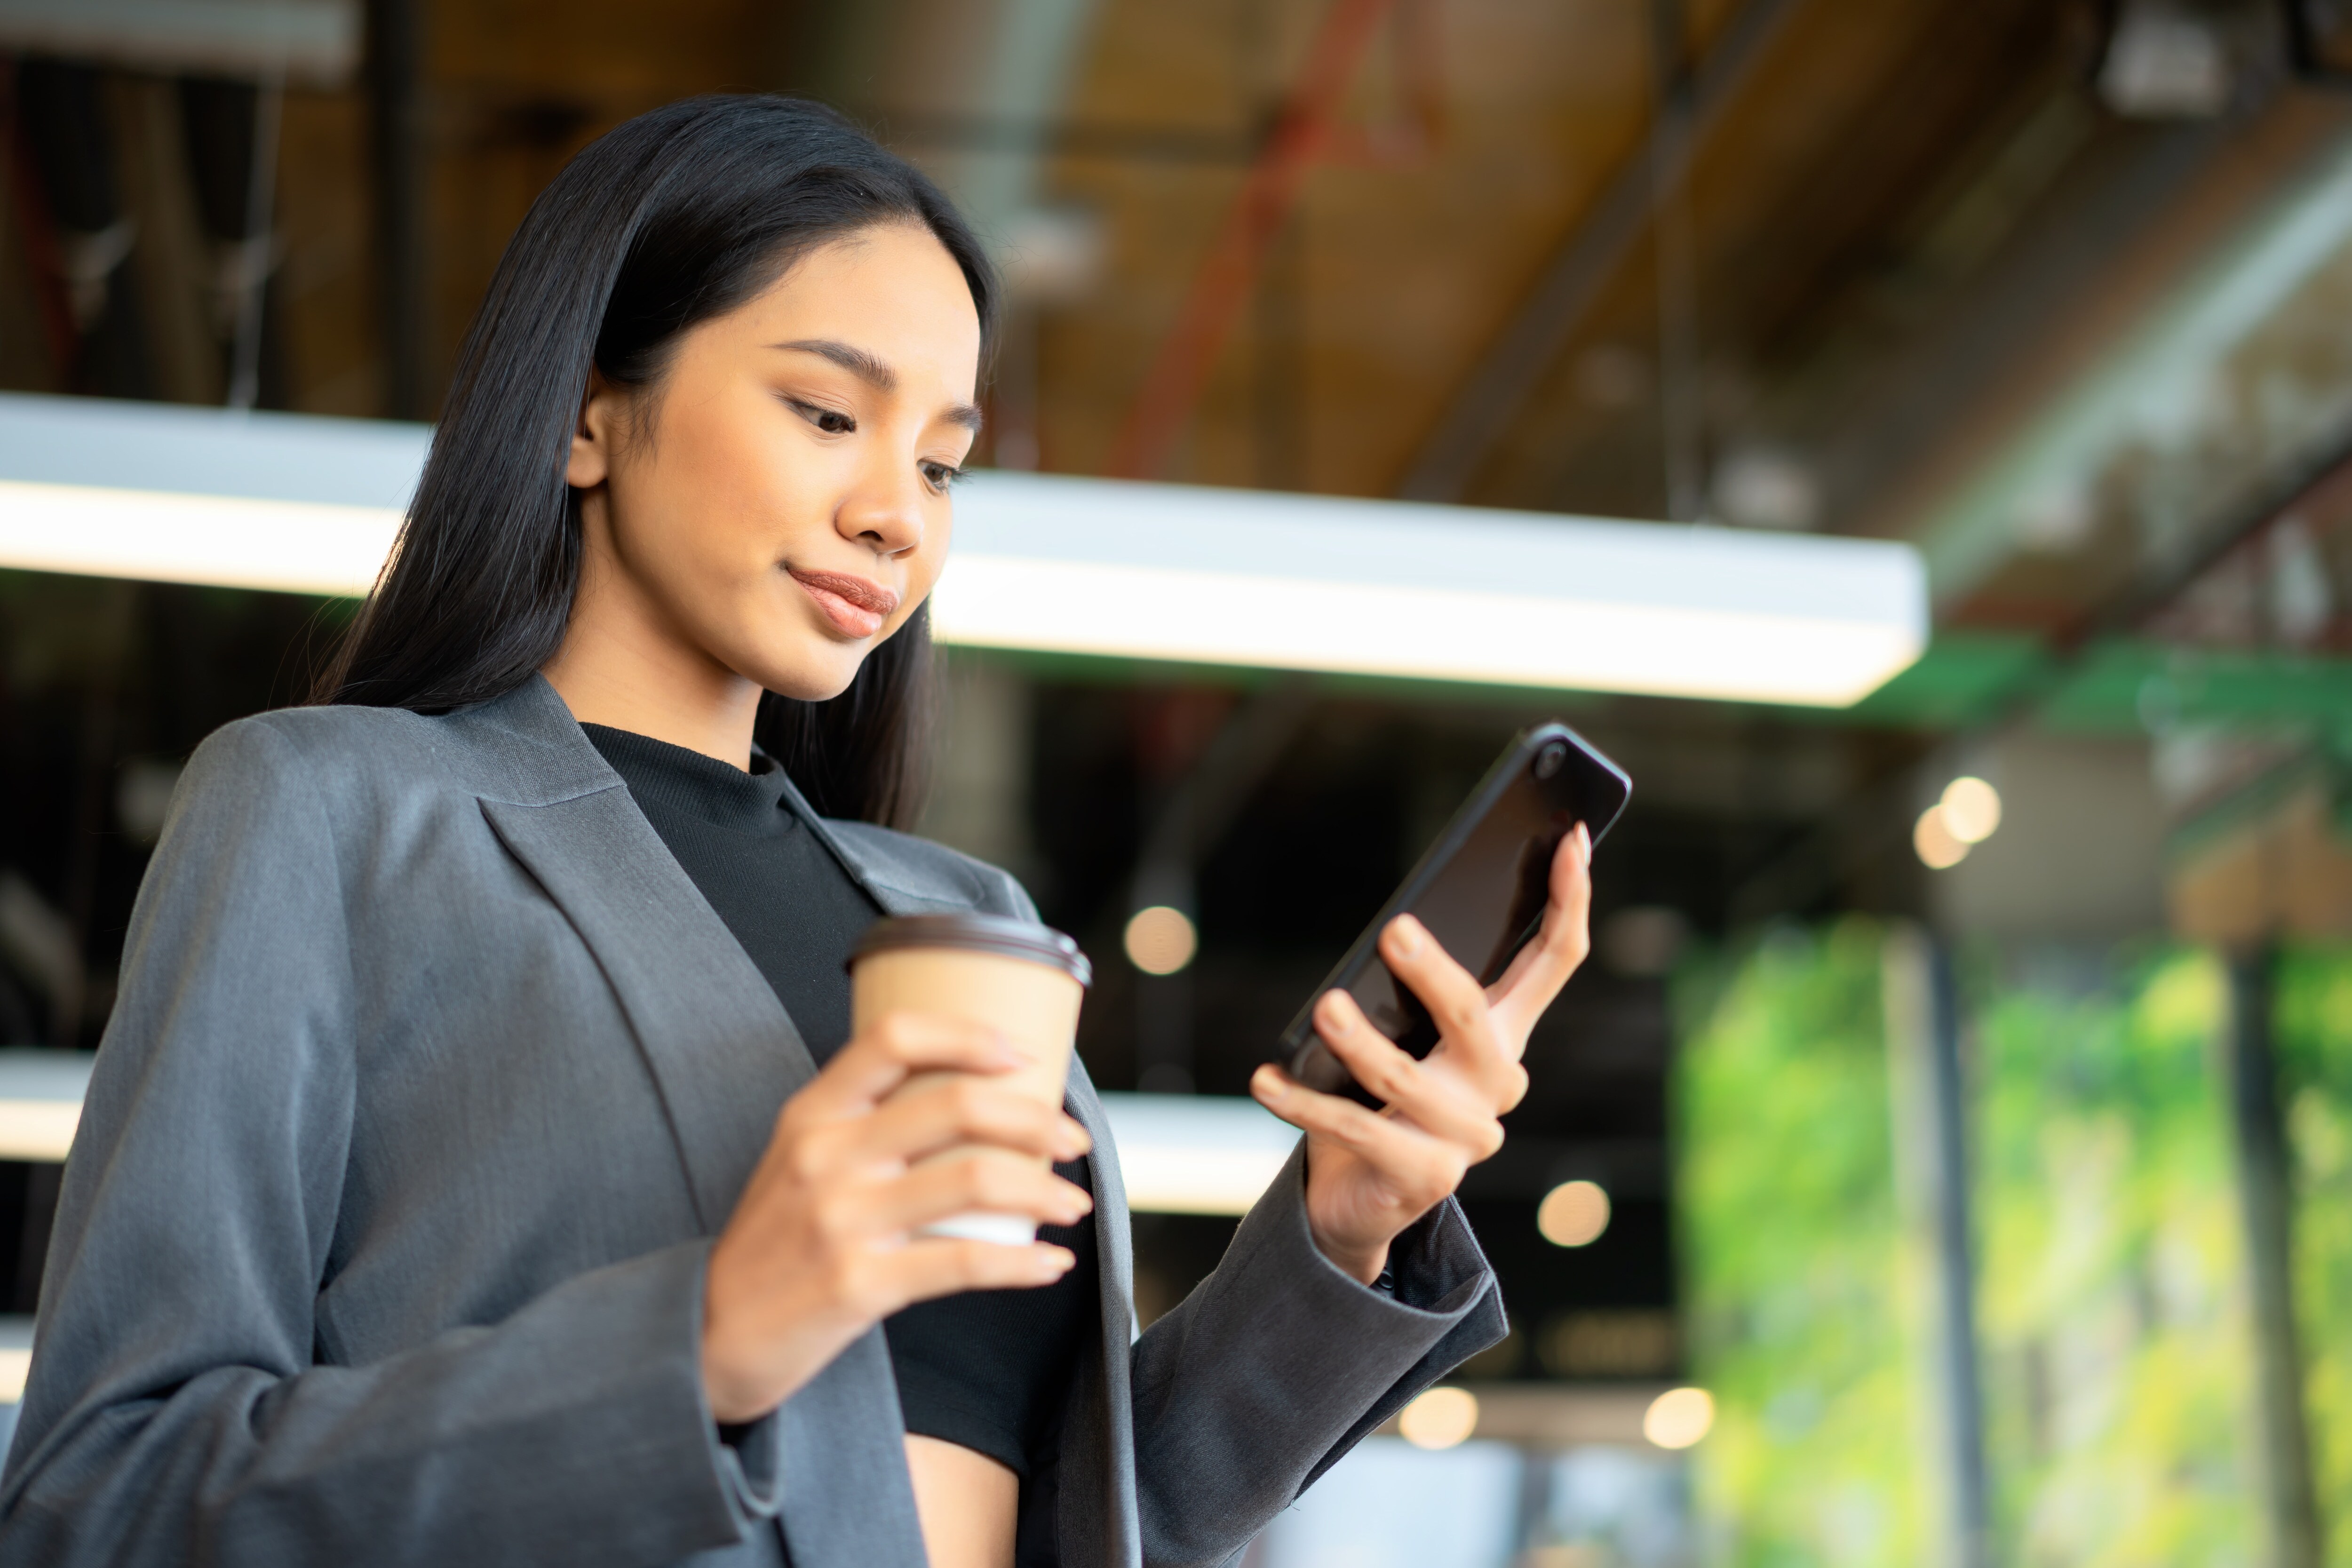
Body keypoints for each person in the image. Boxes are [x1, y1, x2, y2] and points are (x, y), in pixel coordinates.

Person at [0, 97, 1593, 1568]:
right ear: (586, 416)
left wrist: (1342, 1225)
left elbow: (1114, 1517)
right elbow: (103, 1495)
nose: (901, 511)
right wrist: (707, 1338)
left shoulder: (963, 919)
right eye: (831, 413)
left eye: (945, 460)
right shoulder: (334, 812)